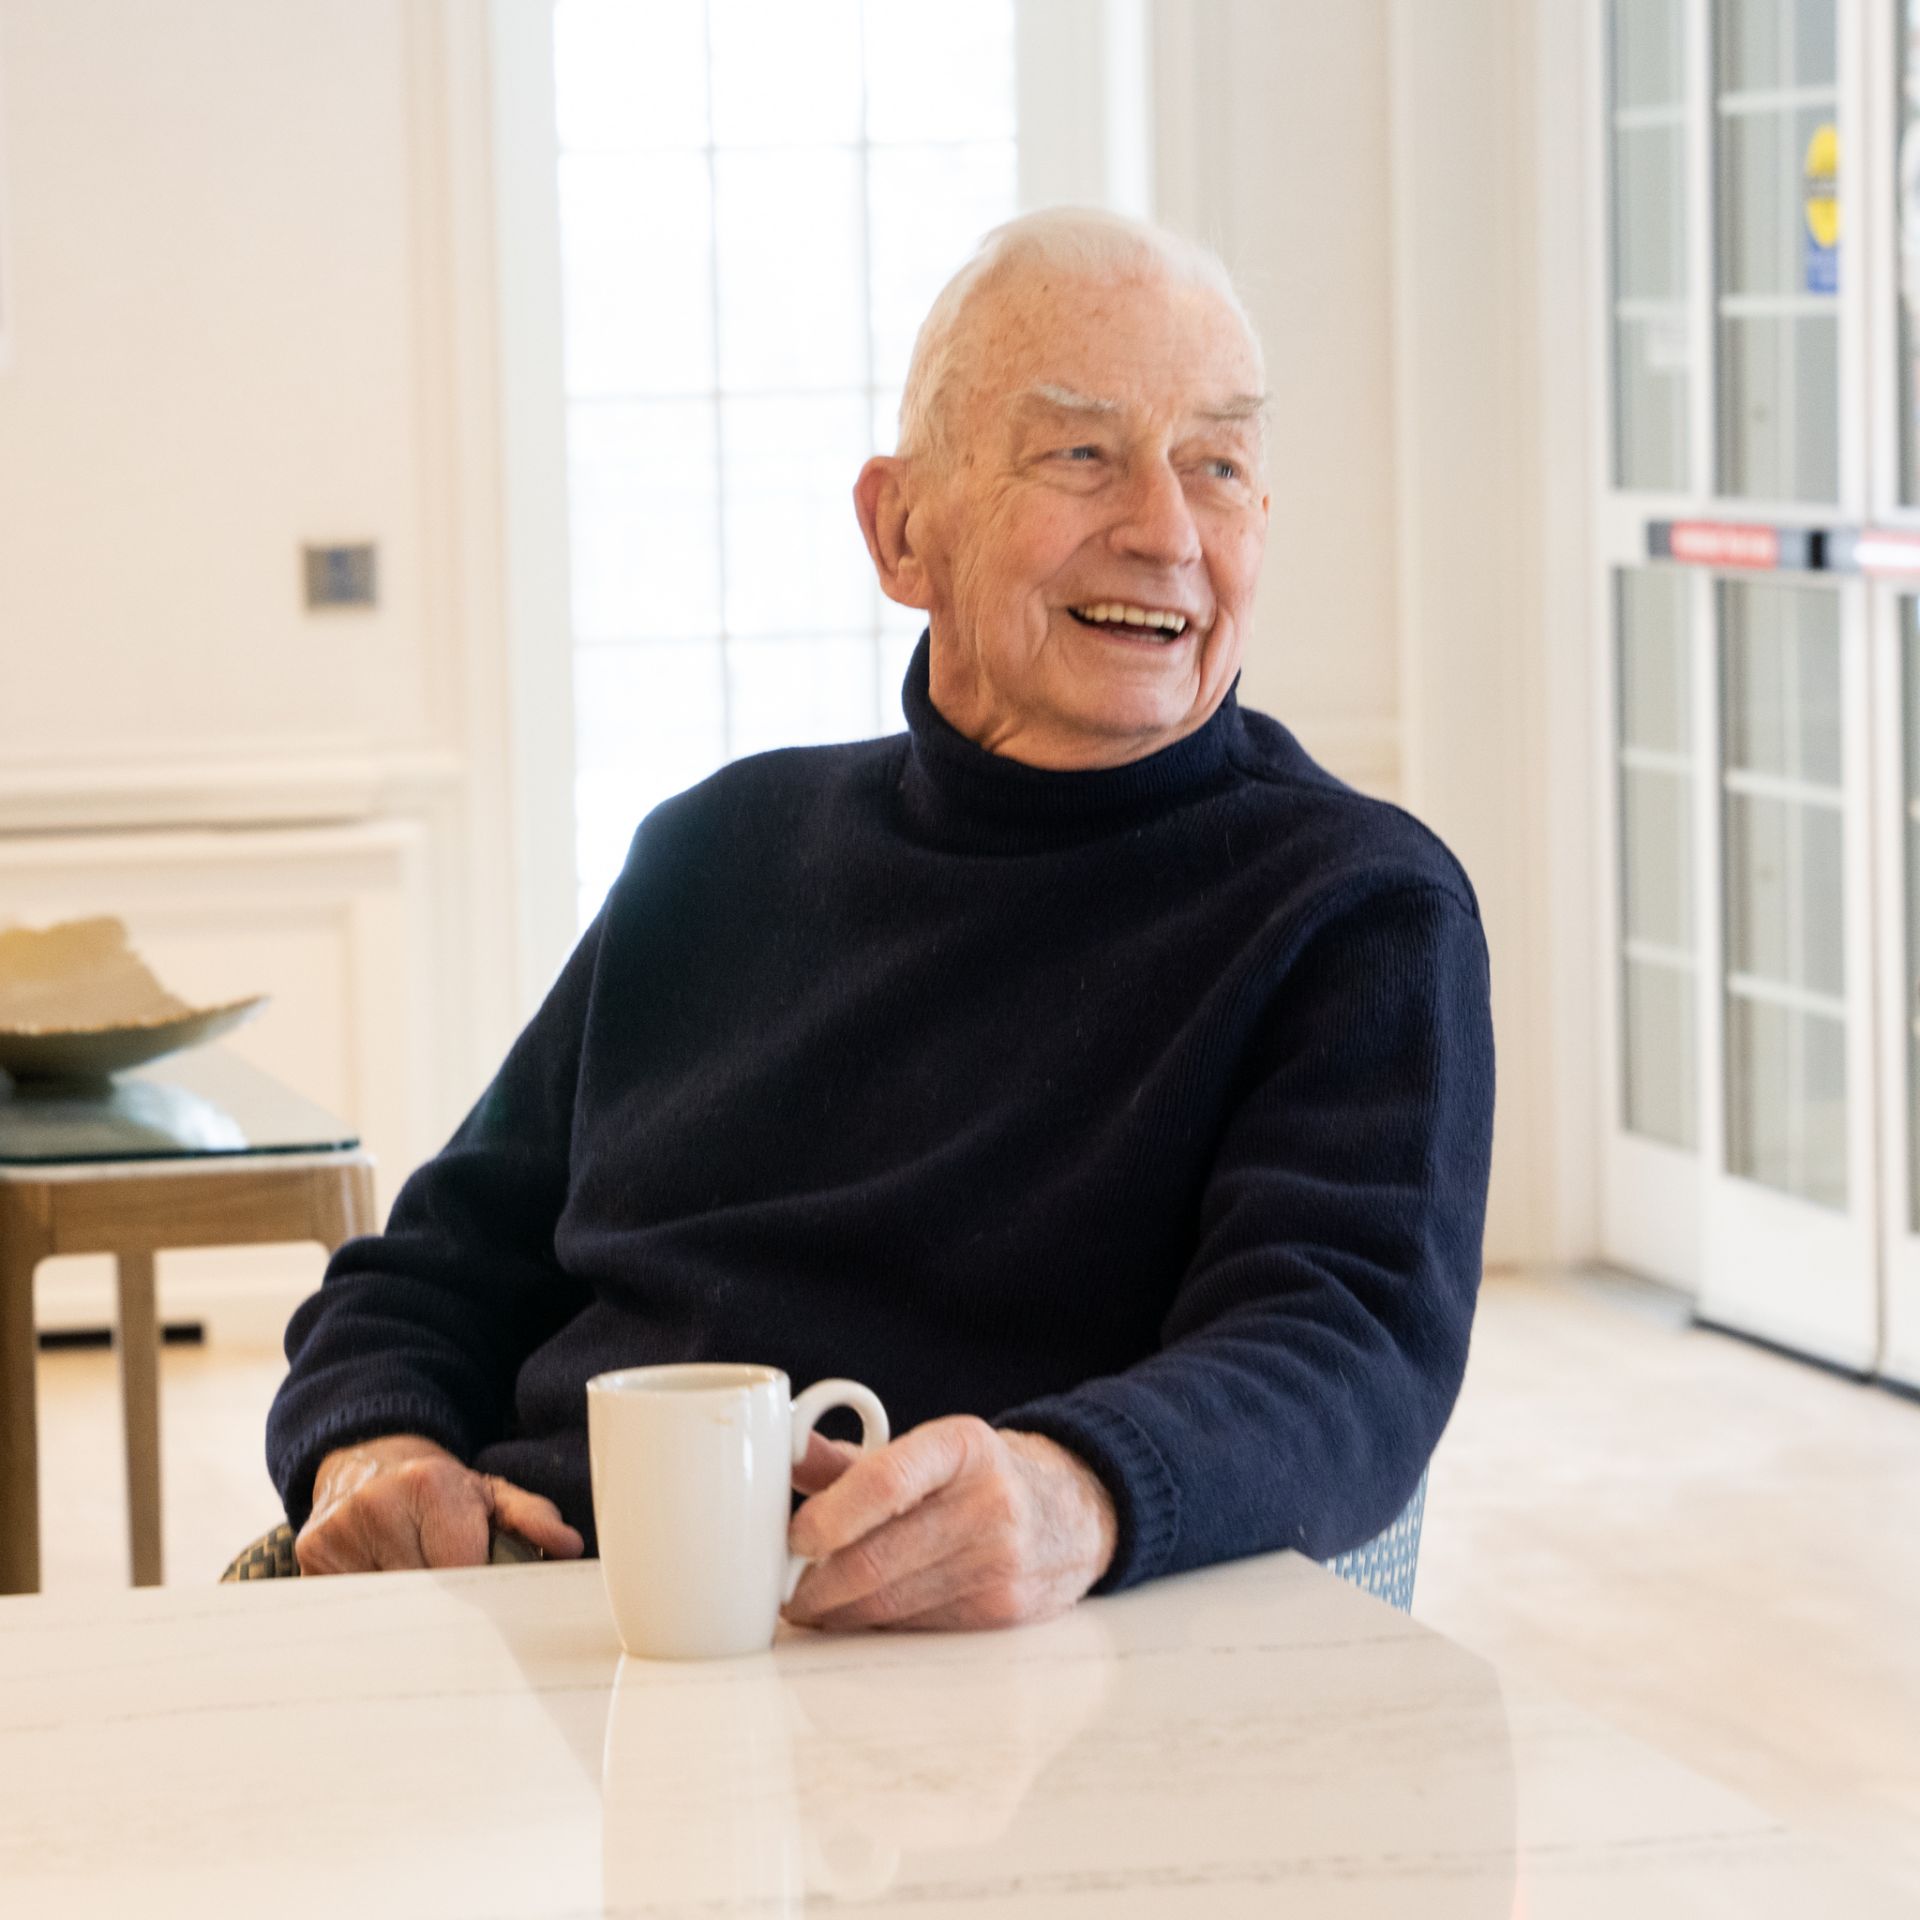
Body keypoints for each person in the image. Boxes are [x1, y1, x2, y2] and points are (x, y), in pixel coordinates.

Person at [268, 208, 1495, 1632]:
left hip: (987, 1651)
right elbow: (431, 1268)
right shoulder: (715, 849)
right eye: (1081, 454)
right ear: (901, 530)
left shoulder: (1354, 908)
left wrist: (1072, 1492)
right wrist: (376, 1448)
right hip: (551, 1623)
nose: (1166, 533)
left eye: (1217, 466)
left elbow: (1344, 1349)